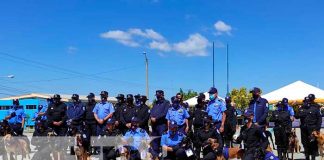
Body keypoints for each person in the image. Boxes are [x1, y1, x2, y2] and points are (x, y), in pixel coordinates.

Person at [295, 94, 322, 160]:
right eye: (305, 101)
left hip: (312, 129)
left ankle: (313, 158)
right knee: (304, 143)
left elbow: (319, 119)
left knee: (313, 144)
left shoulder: (315, 108)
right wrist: (300, 111)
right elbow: (296, 116)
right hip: (304, 129)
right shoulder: (301, 109)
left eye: (308, 101)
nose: (307, 103)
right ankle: (307, 157)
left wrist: (317, 129)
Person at [150, 90, 170, 157]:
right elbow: (151, 111)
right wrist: (151, 117)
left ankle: (164, 156)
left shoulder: (166, 102)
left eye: (158, 96)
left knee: (163, 141)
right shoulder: (155, 103)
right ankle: (156, 156)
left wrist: (156, 118)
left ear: (162, 95)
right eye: (157, 96)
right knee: (155, 141)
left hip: (162, 125)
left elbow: (165, 113)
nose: (157, 97)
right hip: (154, 125)